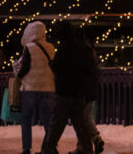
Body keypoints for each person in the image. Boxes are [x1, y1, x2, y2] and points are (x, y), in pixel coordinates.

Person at [40, 21, 103, 154]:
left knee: (56, 126)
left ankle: (48, 150)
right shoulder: (81, 48)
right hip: (78, 93)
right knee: (81, 127)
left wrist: (52, 64)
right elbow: (87, 69)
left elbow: (56, 67)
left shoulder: (63, 48)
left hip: (64, 94)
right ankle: (87, 150)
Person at [14, 21, 56, 154]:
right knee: (48, 121)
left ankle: (26, 148)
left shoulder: (29, 47)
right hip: (48, 88)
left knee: (26, 119)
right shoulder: (51, 47)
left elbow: (25, 68)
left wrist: (18, 75)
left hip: (31, 89)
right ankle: (51, 147)